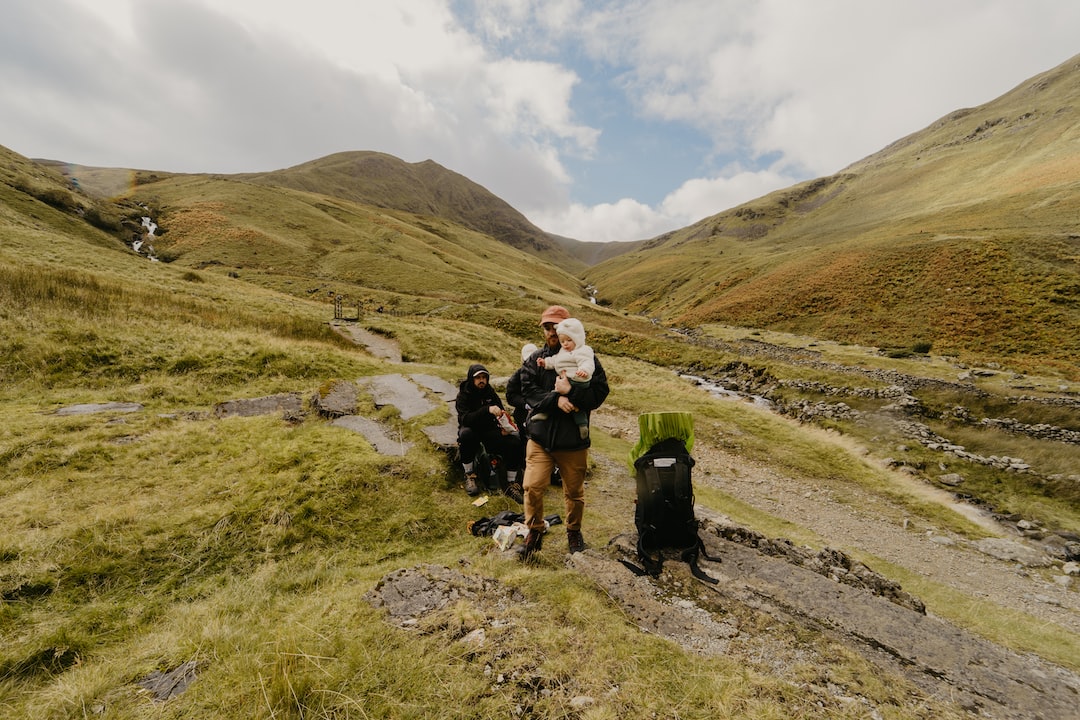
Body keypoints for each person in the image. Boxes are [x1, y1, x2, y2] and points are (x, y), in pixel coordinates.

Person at [516, 306, 610, 561]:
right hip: (540, 439)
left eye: (556, 327)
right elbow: (525, 390)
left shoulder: (585, 358)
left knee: (574, 492)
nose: (552, 332)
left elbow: (600, 393)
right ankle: (534, 531)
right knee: (532, 487)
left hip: (573, 442)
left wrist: (574, 394)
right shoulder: (536, 360)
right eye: (547, 327)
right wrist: (555, 400)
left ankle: (574, 532)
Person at [455, 364, 524, 501]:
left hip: (489, 431)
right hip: (472, 430)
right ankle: (469, 474)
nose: (482, 381)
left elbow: (501, 413)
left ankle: (511, 483)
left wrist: (504, 427)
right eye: (478, 378)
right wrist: (486, 410)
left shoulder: (490, 393)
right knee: (466, 435)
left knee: (514, 442)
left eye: (484, 377)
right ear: (471, 379)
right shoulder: (464, 395)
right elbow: (465, 419)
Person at [534, 317, 594, 439]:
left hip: (578, 381)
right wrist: (545, 363)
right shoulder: (562, 352)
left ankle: (582, 425)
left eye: (569, 340)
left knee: (577, 407)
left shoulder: (583, 350)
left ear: (577, 338)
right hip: (565, 380)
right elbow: (555, 360)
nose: (565, 344)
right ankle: (544, 412)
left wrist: (584, 371)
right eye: (563, 341)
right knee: (553, 396)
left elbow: (587, 362)